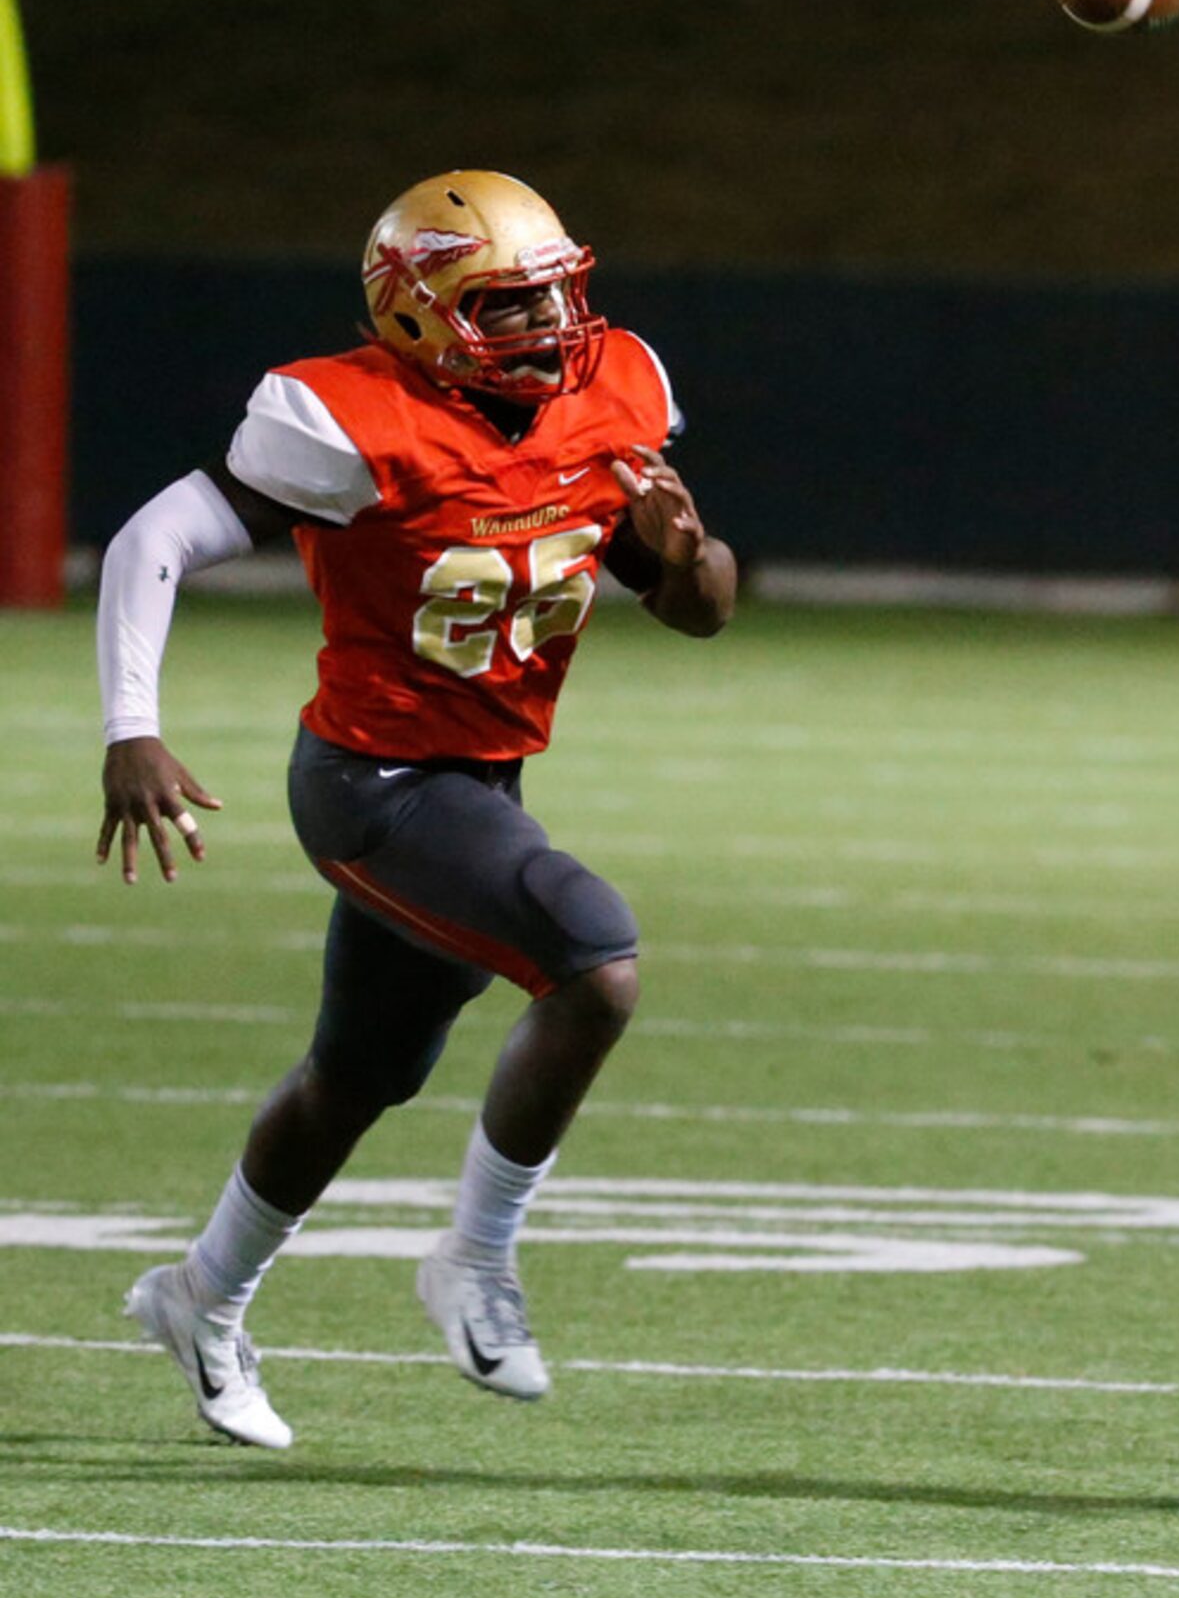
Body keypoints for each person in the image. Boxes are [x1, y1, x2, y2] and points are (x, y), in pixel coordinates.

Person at [96, 170, 737, 1449]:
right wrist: (133, 730)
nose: (550, 331)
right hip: (371, 785)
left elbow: (701, 609)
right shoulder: (347, 418)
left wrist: (684, 550)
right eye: (506, 308)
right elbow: (150, 543)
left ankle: (200, 1295)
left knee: (360, 1076)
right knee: (593, 958)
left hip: (478, 783)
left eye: (558, 296)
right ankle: (476, 1260)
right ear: (418, 315)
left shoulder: (609, 390)